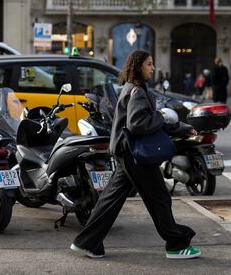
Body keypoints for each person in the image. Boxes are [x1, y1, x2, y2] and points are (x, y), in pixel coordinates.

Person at [70, 50, 201, 260]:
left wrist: (181, 128)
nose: (152, 68)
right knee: (159, 198)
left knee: (111, 199)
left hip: (127, 152)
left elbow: (148, 123)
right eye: (149, 64)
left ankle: (87, 242)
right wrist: (159, 116)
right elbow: (138, 124)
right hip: (136, 155)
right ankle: (176, 244)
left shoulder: (131, 88)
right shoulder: (138, 91)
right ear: (138, 66)